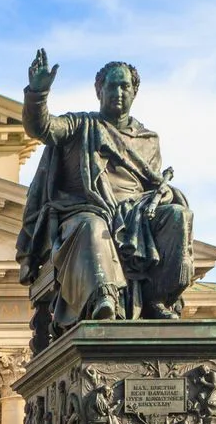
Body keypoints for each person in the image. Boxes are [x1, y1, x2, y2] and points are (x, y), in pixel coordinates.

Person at [16, 49, 193, 329]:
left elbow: (153, 185)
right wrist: (37, 94)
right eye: (112, 85)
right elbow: (43, 128)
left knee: (177, 216)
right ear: (99, 90)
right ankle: (103, 297)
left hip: (136, 214)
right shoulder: (79, 125)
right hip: (86, 207)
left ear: (135, 92)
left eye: (125, 86)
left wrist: (165, 195)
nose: (119, 92)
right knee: (92, 225)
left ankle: (158, 298)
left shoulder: (148, 140)